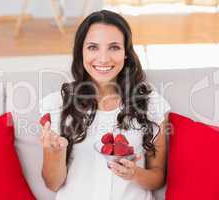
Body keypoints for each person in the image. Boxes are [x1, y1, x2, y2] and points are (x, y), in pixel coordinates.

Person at [39, 9, 170, 200]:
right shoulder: (57, 104)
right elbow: (53, 183)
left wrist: (135, 174)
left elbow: (157, 177)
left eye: (114, 47)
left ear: (126, 53)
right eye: (93, 47)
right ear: (81, 51)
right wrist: (55, 153)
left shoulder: (152, 105)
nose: (103, 58)